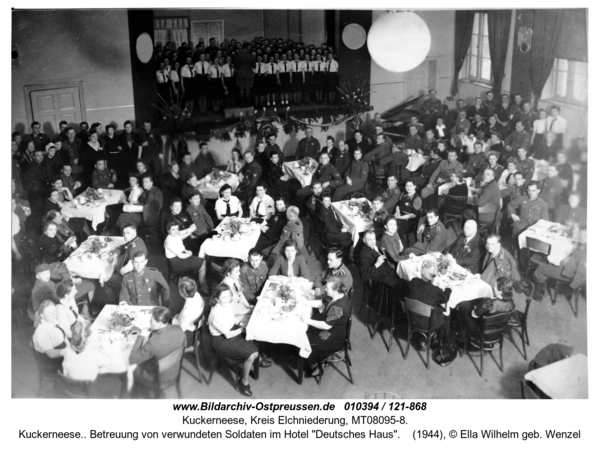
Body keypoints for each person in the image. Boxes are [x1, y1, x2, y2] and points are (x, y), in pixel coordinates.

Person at [208, 285, 261, 397]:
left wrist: (241, 324)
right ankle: (243, 382)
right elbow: (227, 335)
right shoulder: (216, 313)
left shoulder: (225, 304)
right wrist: (243, 329)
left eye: (228, 296)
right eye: (224, 297)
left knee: (255, 353)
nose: (227, 299)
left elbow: (231, 318)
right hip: (221, 341)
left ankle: (248, 365)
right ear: (217, 299)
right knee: (251, 355)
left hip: (232, 331)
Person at [129, 307, 186, 397]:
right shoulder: (178, 329)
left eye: (151, 321)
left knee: (133, 370)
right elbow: (183, 344)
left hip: (157, 377)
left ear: (159, 323)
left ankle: (136, 395)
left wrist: (141, 336)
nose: (149, 323)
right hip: (174, 369)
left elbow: (133, 359)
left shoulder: (153, 343)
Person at [301, 277, 352, 377]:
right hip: (333, 328)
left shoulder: (339, 307)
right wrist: (304, 302)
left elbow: (326, 326)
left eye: (328, 288)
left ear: (335, 290)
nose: (325, 290)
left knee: (305, 338)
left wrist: (308, 321)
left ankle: (316, 365)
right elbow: (321, 303)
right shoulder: (336, 296)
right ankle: (315, 359)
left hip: (334, 337)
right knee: (307, 330)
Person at [61, 320, 122, 398]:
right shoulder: (93, 356)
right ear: (88, 339)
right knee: (117, 381)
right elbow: (110, 360)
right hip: (88, 387)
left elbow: (81, 353)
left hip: (70, 383)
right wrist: (107, 348)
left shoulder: (67, 349)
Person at [459, 277, 515, 341]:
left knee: (463, 306)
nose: (493, 288)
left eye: (495, 286)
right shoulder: (511, 303)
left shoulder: (489, 302)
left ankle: (463, 337)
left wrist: (477, 307)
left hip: (481, 334)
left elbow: (474, 315)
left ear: (500, 291)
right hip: (498, 333)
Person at [532, 236, 586, 302]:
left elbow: (562, 263)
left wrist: (570, 255)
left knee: (541, 269)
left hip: (573, 276)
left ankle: (537, 295)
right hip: (583, 277)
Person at [407, 259, 451, 335]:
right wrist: (449, 289)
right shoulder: (435, 290)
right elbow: (445, 298)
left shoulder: (413, 281)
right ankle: (442, 341)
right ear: (433, 277)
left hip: (412, 319)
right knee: (446, 312)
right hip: (428, 325)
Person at [164, 221, 205, 287]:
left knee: (202, 261)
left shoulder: (175, 236)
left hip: (180, 259)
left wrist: (186, 250)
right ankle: (203, 287)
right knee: (202, 264)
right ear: (168, 231)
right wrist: (189, 254)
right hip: (176, 264)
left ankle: (202, 279)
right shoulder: (169, 241)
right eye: (173, 230)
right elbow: (181, 256)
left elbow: (180, 245)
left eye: (177, 229)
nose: (176, 231)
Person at [32, 300, 68, 374]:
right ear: (42, 315)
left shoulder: (53, 321)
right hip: (52, 362)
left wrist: (70, 346)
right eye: (49, 312)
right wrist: (69, 352)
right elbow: (52, 354)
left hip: (60, 349)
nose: (53, 314)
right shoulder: (41, 333)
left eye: (54, 311)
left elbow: (63, 336)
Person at [172, 277, 205, 350]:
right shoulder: (196, 294)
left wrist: (174, 320)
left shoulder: (187, 310)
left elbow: (182, 328)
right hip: (197, 323)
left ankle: (184, 350)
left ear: (182, 292)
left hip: (189, 330)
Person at [394, 179, 423, 247]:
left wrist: (400, 217)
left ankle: (397, 246)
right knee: (388, 221)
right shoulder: (403, 194)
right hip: (400, 216)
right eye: (407, 185)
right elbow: (398, 205)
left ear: (414, 186)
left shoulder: (417, 198)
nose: (408, 187)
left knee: (395, 227)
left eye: (411, 185)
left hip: (410, 221)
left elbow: (413, 215)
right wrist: (398, 213)